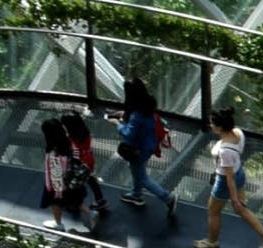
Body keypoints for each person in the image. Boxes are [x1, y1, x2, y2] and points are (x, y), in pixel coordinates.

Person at [195, 108, 263, 248]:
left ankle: (212, 242)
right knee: (242, 210)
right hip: (240, 173)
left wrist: (234, 199)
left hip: (226, 180)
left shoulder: (225, 151)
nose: (210, 125)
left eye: (213, 123)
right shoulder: (238, 133)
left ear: (220, 127)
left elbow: (228, 177)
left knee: (213, 211)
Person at [111, 81, 174, 213]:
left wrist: (117, 124)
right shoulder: (147, 106)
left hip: (139, 149)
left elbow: (129, 134)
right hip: (148, 145)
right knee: (137, 170)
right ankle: (136, 194)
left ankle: (168, 198)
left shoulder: (136, 114)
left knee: (141, 177)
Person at [39, 118, 96, 232]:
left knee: (55, 204)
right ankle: (90, 213)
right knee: (75, 200)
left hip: (59, 186)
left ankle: (58, 223)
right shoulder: (68, 142)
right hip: (71, 179)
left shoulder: (54, 153)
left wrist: (57, 194)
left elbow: (55, 175)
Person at [58, 111, 110, 216]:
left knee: (72, 184)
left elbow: (72, 154)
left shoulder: (72, 139)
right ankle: (100, 200)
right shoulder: (84, 132)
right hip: (88, 160)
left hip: (79, 164)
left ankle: (74, 205)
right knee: (90, 179)